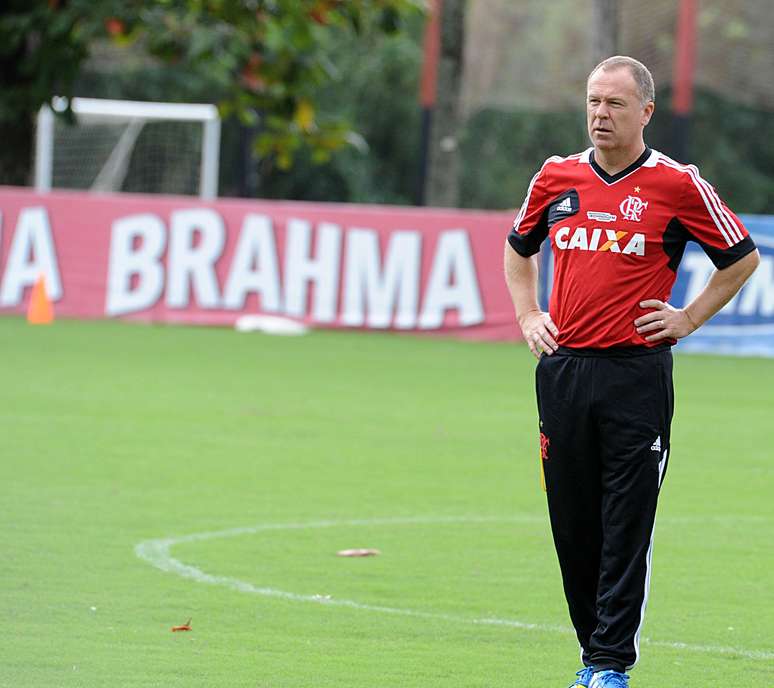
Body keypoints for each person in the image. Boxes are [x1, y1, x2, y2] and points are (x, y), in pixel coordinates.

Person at [503, 56, 760, 688]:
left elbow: (741, 258)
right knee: (572, 523)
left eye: (615, 104)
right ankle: (594, 653)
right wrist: (529, 313)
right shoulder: (556, 177)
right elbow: (517, 250)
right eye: (593, 102)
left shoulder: (676, 184)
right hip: (563, 374)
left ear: (645, 112)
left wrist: (688, 319)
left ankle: (609, 665)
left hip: (635, 377)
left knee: (626, 521)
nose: (600, 115)